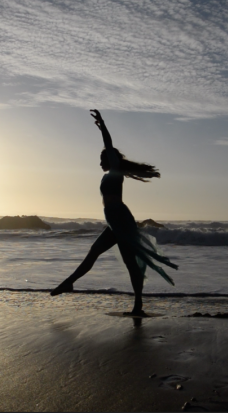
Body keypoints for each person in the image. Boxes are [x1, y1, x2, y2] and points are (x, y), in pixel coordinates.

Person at [50, 109, 178, 316]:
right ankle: (69, 283)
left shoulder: (116, 170)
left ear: (110, 160)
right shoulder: (110, 174)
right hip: (114, 222)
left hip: (121, 220)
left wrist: (102, 125)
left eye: (102, 160)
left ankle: (137, 305)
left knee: (129, 264)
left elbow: (109, 145)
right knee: (95, 252)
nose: (100, 163)